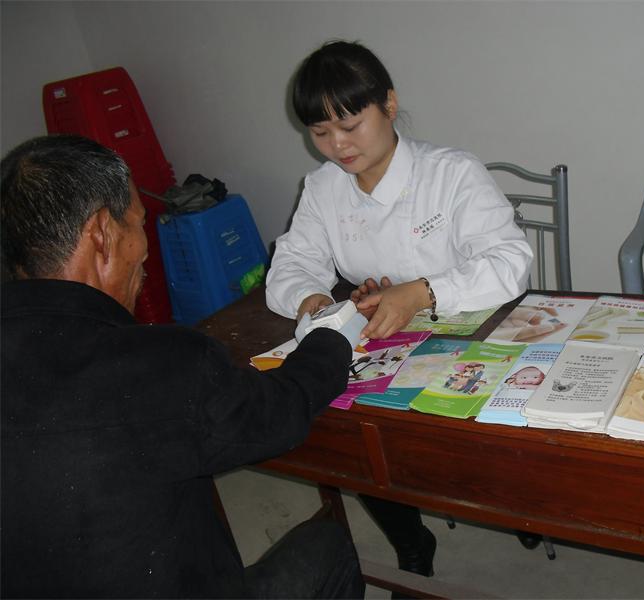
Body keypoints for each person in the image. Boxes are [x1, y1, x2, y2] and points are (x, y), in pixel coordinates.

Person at [0, 135, 365, 599]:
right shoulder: (161, 364)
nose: (146, 251)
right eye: (139, 223)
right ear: (102, 233)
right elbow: (280, 411)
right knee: (327, 545)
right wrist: (332, 337)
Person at [264, 40, 532, 582]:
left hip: (475, 338)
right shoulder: (324, 188)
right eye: (320, 132)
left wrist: (421, 292)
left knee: (477, 457)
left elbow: (511, 264)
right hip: (384, 344)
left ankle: (517, 511)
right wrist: (315, 301)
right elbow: (291, 265)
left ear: (388, 104)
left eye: (350, 125)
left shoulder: (451, 173)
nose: (338, 146)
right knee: (353, 439)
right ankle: (410, 538)